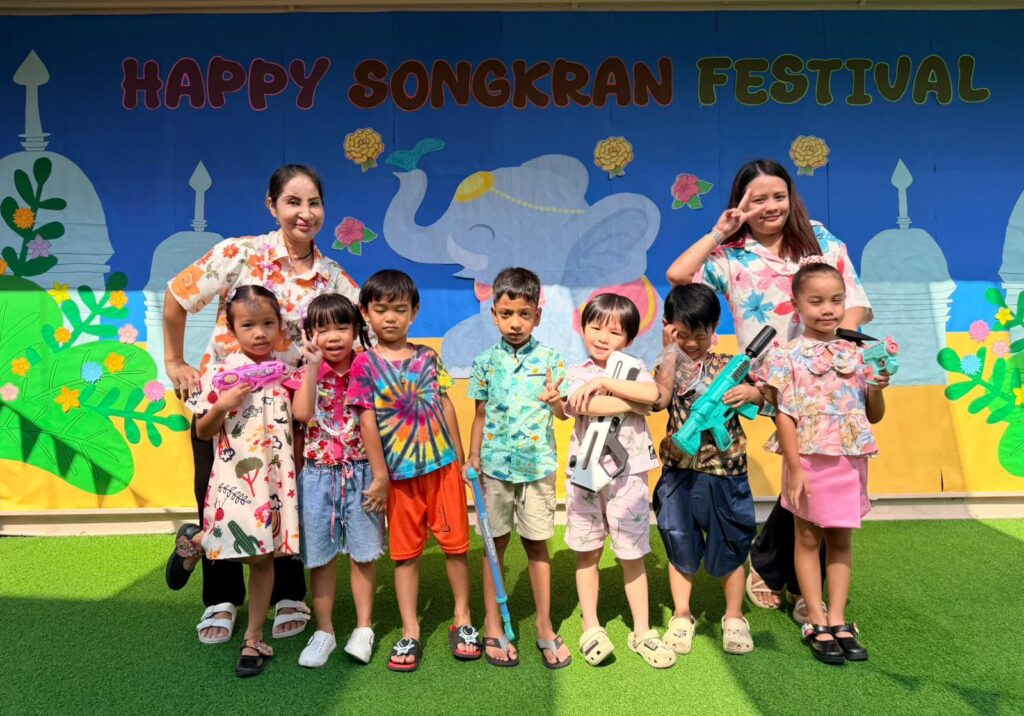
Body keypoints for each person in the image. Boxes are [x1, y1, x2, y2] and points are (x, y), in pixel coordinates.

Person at [665, 159, 873, 622]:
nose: (770, 206)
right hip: (766, 381)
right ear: (740, 204)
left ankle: (789, 580)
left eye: (778, 196)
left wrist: (837, 354)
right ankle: (783, 573)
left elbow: (855, 303)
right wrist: (719, 232)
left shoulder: (821, 240)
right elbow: (679, 276)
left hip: (823, 382)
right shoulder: (731, 255)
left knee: (814, 476)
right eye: (757, 199)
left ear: (791, 197)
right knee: (801, 475)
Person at [163, 164, 361, 644]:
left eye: (314, 203)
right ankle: (221, 597)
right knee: (221, 498)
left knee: (287, 497)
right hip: (226, 406)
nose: (305, 213)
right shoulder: (239, 253)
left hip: (290, 411)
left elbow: (365, 330)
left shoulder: (331, 276)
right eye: (293, 202)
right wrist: (174, 361)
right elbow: (176, 296)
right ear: (272, 205)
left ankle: (288, 592)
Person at [345, 269, 480, 672]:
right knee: (405, 556)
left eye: (400, 309)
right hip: (400, 478)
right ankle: (410, 630)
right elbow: (366, 422)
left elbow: (445, 403)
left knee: (456, 547)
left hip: (443, 469)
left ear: (414, 312)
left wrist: (460, 459)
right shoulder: (364, 365)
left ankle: (463, 618)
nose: (390, 317)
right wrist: (381, 476)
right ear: (365, 313)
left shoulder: (428, 357)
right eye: (381, 309)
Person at [760, 259, 888, 664]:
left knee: (841, 540)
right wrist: (795, 467)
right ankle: (815, 619)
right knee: (807, 539)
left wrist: (878, 388)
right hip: (807, 459)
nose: (828, 309)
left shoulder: (858, 353)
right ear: (797, 304)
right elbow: (784, 415)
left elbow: (873, 415)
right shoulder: (785, 356)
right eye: (816, 301)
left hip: (849, 460)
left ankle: (838, 618)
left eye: (836, 300)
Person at [179, 285, 299, 677]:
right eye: (248, 325)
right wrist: (222, 405)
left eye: (268, 323)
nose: (260, 333)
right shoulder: (219, 373)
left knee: (266, 555)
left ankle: (253, 636)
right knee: (244, 549)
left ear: (280, 326)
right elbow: (202, 431)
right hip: (233, 479)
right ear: (231, 330)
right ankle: (200, 541)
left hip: (275, 479)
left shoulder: (287, 367)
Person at [464, 267, 573, 669]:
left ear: (537, 316)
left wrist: (556, 401)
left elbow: (563, 414)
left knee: (538, 546)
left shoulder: (551, 361)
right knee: (494, 547)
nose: (515, 323)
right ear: (494, 314)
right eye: (507, 314)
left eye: (524, 314)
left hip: (537, 469)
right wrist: (472, 457)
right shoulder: (484, 363)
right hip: (493, 469)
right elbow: (479, 415)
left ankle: (544, 625)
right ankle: (493, 624)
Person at [564, 293, 675, 669]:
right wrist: (632, 403)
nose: (602, 337)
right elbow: (584, 405)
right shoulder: (577, 372)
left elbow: (653, 394)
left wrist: (606, 382)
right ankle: (591, 625)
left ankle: (642, 630)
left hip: (629, 476)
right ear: (583, 328)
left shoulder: (634, 368)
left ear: (628, 338)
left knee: (632, 554)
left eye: (614, 332)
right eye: (595, 327)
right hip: (585, 476)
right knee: (588, 552)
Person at [652, 284, 761, 657]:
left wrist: (752, 395)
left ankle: (734, 616)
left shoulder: (729, 366)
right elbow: (660, 399)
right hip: (679, 470)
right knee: (678, 538)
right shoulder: (668, 364)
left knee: (731, 540)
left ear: (714, 328)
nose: (692, 343)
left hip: (725, 471)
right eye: (682, 334)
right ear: (669, 327)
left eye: (700, 334)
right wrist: (669, 351)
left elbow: (766, 400)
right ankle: (682, 615)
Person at [285, 293, 384, 668]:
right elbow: (302, 414)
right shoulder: (304, 371)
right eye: (322, 329)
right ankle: (324, 631)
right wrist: (312, 367)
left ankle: (363, 628)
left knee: (363, 554)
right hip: (317, 475)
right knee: (321, 557)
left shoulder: (368, 368)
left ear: (356, 329)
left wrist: (380, 476)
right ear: (309, 334)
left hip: (361, 472)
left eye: (342, 327)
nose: (333, 336)